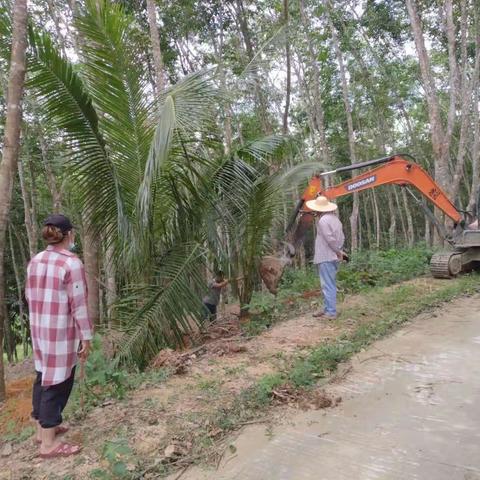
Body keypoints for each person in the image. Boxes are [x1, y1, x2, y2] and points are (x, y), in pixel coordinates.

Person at [26, 214, 93, 459]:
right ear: (68, 235)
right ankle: (48, 444)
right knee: (58, 382)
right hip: (60, 331)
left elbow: (28, 295)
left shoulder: (35, 260)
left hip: (39, 329)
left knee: (43, 376)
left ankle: (42, 428)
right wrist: (86, 336)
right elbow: (79, 304)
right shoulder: (71, 263)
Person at [305, 196, 346, 320]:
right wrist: (339, 251)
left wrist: (338, 252)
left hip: (326, 256)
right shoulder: (335, 219)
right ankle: (328, 308)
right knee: (329, 283)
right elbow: (341, 237)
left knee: (328, 284)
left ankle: (331, 312)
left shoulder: (323, 221)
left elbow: (330, 239)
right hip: (332, 256)